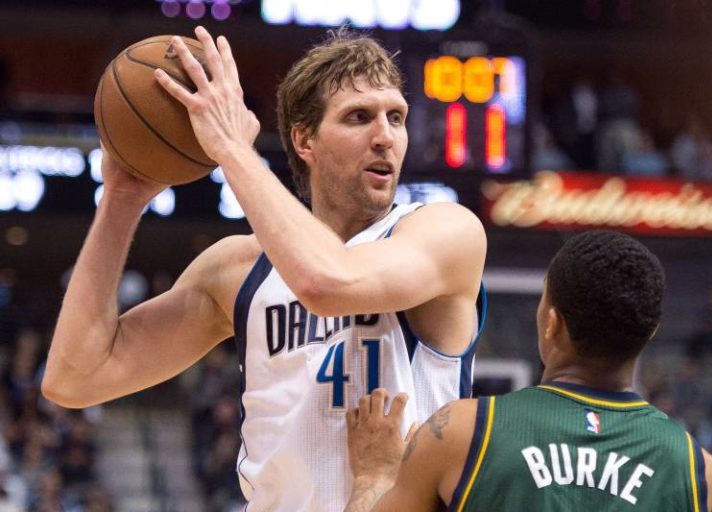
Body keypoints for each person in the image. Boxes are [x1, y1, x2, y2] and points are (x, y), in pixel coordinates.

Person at [41, 26, 486, 512]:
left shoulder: (444, 232)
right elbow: (75, 377)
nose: (385, 137)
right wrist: (121, 198)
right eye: (359, 117)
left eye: (395, 117)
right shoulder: (239, 268)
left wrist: (232, 148)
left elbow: (327, 281)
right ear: (304, 141)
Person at [345, 230, 712, 511]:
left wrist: (374, 475)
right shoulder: (699, 473)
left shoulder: (464, 432)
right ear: (651, 332)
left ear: (552, 322)